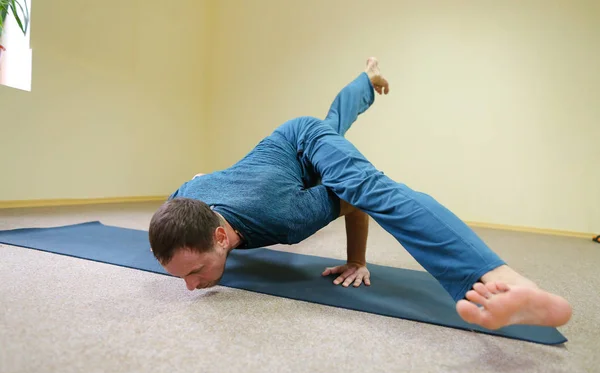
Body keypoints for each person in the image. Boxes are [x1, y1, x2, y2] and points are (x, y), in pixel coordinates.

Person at [149, 57, 572, 331]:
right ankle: (366, 78)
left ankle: (506, 282)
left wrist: (356, 260)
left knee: (365, 184)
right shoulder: (182, 201)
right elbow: (201, 175)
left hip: (300, 140)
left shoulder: (284, 217)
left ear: (221, 237)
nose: (190, 287)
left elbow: (354, 201)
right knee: (336, 121)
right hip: (275, 164)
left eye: (195, 271)